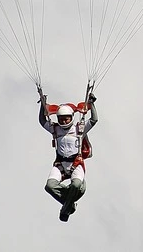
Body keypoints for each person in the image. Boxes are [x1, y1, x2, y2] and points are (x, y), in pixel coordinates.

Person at [38, 92, 98, 222]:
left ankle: (67, 206)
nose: (64, 121)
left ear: (71, 118)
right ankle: (69, 204)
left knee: (76, 185)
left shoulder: (79, 129)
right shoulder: (55, 129)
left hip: (76, 163)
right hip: (60, 164)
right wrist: (42, 104)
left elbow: (94, 120)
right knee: (49, 186)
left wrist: (91, 104)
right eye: (61, 119)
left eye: (66, 118)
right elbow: (42, 121)